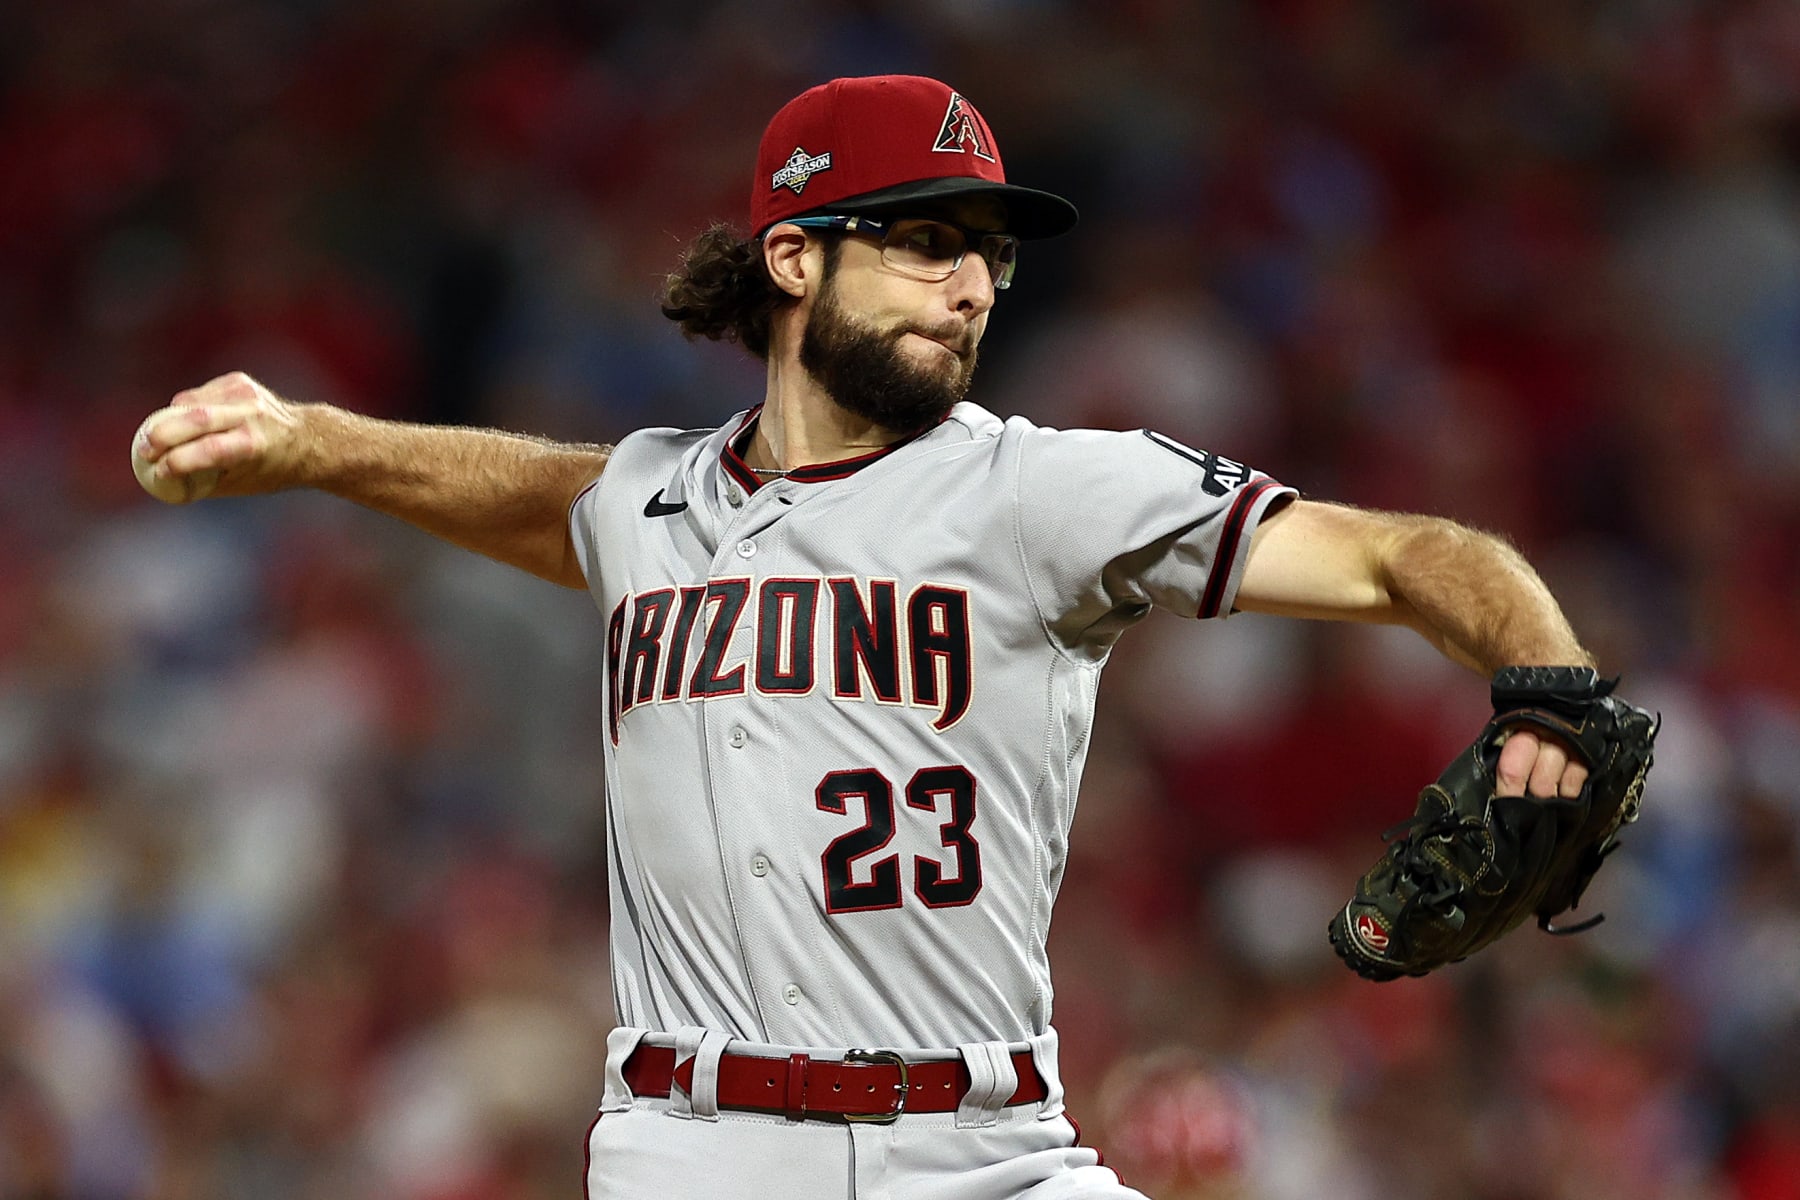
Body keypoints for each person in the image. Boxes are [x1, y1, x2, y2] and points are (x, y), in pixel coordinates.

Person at [135, 74, 1594, 1199]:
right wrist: (316, 441)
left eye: (989, 256)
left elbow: (1406, 553)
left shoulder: (1042, 489)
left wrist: (1547, 683)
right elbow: (556, 496)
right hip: (687, 1150)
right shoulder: (647, 503)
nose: (970, 286)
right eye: (925, 243)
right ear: (792, 259)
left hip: (982, 1148)